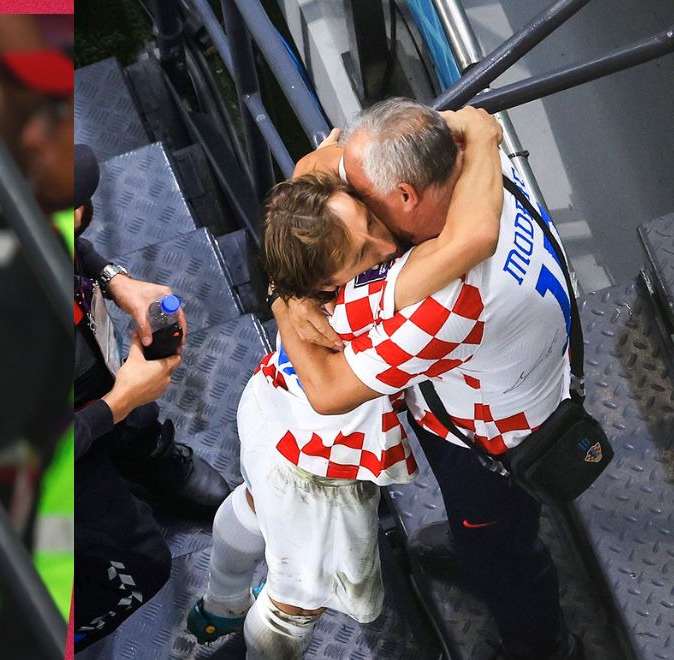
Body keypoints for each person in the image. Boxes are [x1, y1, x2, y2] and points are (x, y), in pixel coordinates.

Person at [186, 106, 504, 657]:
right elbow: (477, 234)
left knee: (254, 504)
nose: (384, 246)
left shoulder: (310, 256)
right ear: (325, 283)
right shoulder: (369, 294)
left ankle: (220, 605)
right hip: (320, 469)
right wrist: (481, 133)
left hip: (269, 408)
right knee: (294, 607)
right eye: (360, 253)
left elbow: (316, 164)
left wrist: (284, 293)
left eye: (371, 222)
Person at [272, 98, 582, 660]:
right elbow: (315, 170)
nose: (376, 242)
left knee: (500, 546)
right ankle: (476, 554)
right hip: (513, 381)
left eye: (367, 210)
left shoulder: (447, 301)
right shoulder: (473, 165)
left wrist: (284, 298)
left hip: (493, 441)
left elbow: (331, 390)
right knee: (482, 534)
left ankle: (542, 644)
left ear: (403, 198)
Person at [73, 143, 230, 652]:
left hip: (86, 383)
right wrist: (116, 404)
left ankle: (151, 460)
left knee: (131, 409)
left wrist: (115, 280)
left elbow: (66, 242)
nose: (78, 217)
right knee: (143, 565)